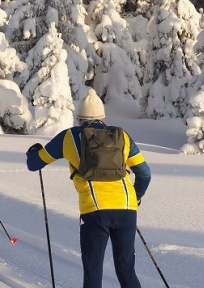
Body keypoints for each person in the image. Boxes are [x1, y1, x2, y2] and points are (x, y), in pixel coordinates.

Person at [26, 88, 151, 288]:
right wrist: (135, 197)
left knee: (93, 270)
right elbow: (144, 173)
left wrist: (34, 151)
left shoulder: (69, 137)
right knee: (126, 269)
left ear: (79, 119)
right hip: (126, 209)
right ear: (103, 118)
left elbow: (34, 164)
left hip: (95, 211)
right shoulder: (121, 136)